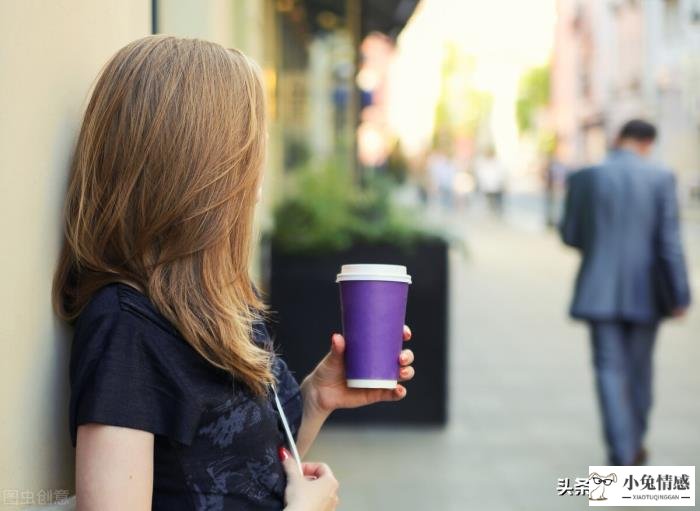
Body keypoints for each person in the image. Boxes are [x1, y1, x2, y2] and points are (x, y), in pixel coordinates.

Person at [52, 36, 417, 511]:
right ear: (199, 177)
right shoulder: (127, 330)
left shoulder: (219, 300)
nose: (258, 189)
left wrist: (318, 398)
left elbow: (238, 470)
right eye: (248, 162)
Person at [560, 119, 691, 466]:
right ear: (648, 143)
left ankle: (621, 451)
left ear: (619, 140)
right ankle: (634, 442)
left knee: (608, 371)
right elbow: (669, 244)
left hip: (597, 290)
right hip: (646, 292)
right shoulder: (661, 178)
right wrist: (681, 294)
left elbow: (570, 235)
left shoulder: (586, 177)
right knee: (640, 371)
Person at [474, 147, 507, 215]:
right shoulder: (483, 163)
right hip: (488, 187)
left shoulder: (497, 162)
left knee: (498, 202)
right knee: (490, 203)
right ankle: (492, 214)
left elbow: (502, 174)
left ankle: (498, 214)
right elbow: (481, 175)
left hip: (497, 186)